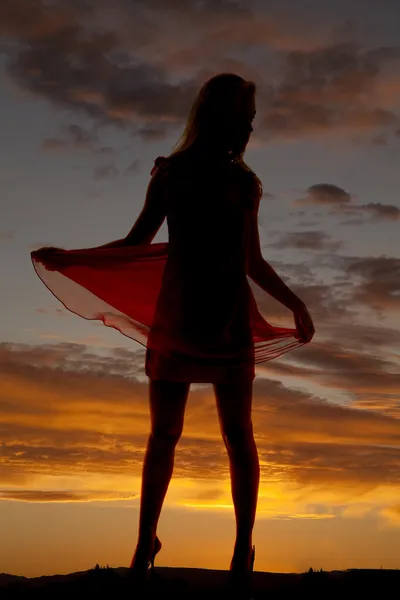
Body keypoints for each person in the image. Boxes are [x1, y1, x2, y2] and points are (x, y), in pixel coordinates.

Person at [32, 73, 314, 598]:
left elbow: (252, 259)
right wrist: (75, 258)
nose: (251, 128)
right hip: (179, 314)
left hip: (229, 316)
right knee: (163, 434)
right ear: (222, 117)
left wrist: (296, 304)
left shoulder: (245, 183)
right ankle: (145, 546)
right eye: (246, 118)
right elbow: (137, 241)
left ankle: (241, 551)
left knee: (239, 436)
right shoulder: (172, 173)